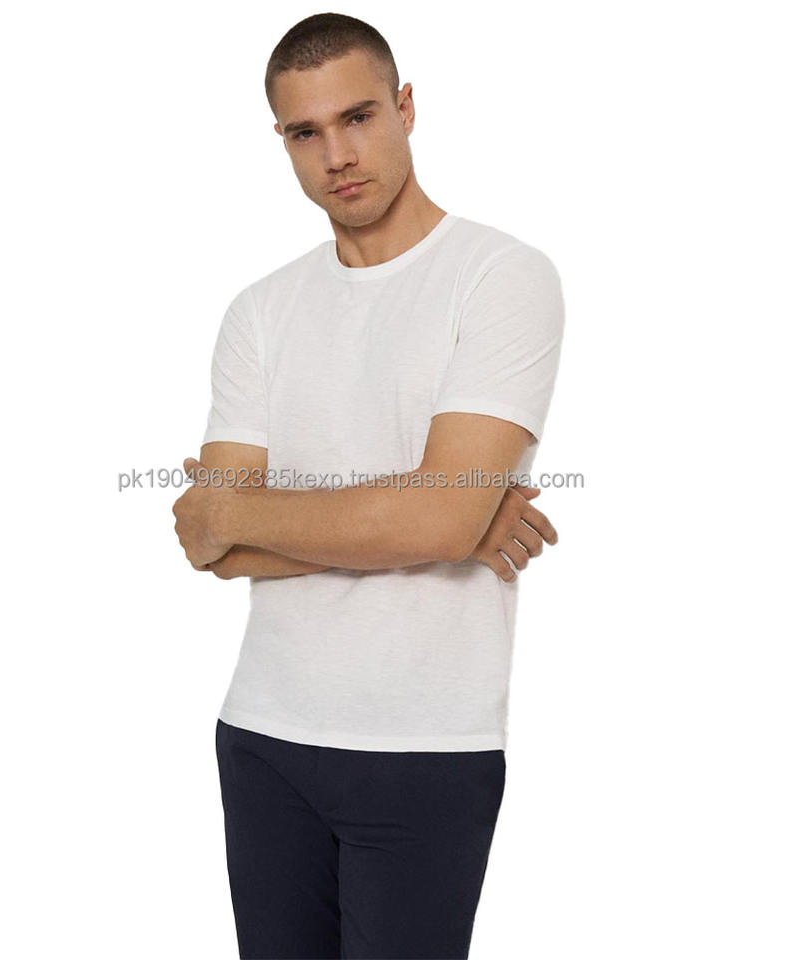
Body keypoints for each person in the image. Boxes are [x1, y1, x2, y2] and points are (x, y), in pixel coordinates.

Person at [172, 13, 566, 959]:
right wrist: (438, 521)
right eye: (305, 132)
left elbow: (427, 516)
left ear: (406, 107)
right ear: (282, 141)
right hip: (262, 736)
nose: (337, 155)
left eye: (357, 117)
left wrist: (439, 517)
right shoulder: (260, 311)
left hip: (426, 747)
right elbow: (207, 544)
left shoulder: (501, 278)